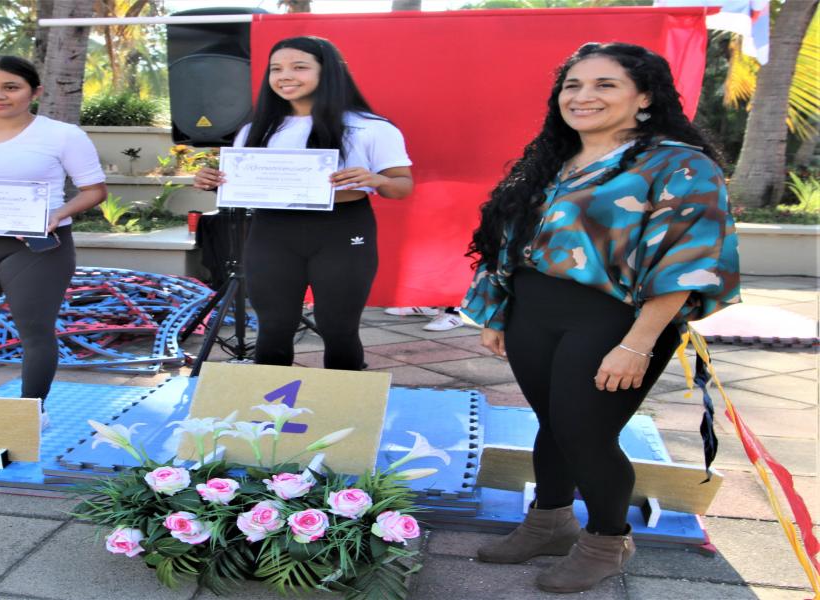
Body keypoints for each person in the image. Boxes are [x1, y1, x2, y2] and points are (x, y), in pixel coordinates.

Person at [462, 42, 739, 593]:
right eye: (572, 85)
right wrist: (496, 311)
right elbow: (508, 241)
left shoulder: (680, 164)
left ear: (645, 97)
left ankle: (607, 542)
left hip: (613, 320)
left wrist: (638, 343)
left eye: (604, 84)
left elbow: (688, 259)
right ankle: (549, 522)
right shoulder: (553, 158)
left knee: (585, 432)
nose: (582, 96)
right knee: (554, 423)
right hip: (533, 311)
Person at [194, 36, 413, 370]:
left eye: (299, 67)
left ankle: (343, 399)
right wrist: (215, 183)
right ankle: (269, 401)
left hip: (342, 233)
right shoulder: (255, 130)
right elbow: (243, 188)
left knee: (338, 328)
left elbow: (402, 186)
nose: (285, 76)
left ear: (328, 72)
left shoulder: (370, 127)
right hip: (271, 234)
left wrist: (376, 179)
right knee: (273, 328)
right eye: (276, 69)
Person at [0, 55, 108, 426]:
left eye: (10, 87)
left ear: (35, 91)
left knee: (35, 332)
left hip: (38, 246)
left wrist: (57, 214)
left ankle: (32, 413)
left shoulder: (63, 135)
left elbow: (94, 190)